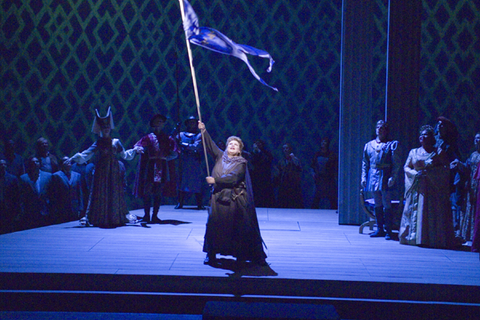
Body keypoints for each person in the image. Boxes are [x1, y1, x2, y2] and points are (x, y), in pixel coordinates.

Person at [198, 121, 267, 266]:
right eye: (230, 144)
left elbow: (234, 177)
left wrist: (215, 180)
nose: (232, 146)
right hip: (217, 198)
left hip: (233, 200)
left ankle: (240, 255)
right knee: (214, 225)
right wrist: (203, 131)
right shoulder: (220, 156)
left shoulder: (241, 162)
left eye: (235, 145)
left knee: (235, 228)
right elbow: (210, 145)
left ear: (239, 150)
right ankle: (211, 254)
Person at [68, 107, 142, 228]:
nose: (106, 129)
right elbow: (86, 154)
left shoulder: (116, 142)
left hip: (114, 170)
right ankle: (101, 217)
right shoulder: (98, 143)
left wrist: (135, 150)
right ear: (101, 129)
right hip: (101, 171)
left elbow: (125, 155)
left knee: (114, 192)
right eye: (104, 127)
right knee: (101, 192)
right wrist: (72, 159)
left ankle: (114, 217)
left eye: (108, 127)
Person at [398, 125, 457, 248]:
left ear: (432, 138)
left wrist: (430, 173)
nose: (423, 137)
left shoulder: (438, 153)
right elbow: (406, 167)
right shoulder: (413, 152)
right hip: (417, 188)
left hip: (433, 189)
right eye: (422, 135)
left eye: (427, 135)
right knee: (414, 211)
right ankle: (413, 237)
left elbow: (446, 169)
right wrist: (415, 173)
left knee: (430, 212)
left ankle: (431, 238)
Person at [133, 114, 178, 223]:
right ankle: (147, 215)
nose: (158, 123)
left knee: (158, 191)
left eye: (160, 122)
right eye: (156, 121)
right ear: (153, 124)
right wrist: (139, 149)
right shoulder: (148, 137)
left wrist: (166, 157)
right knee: (147, 190)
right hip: (150, 166)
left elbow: (175, 151)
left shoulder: (168, 138)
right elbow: (138, 145)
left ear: (163, 124)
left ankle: (155, 216)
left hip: (162, 166)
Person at [361, 120, 400, 240]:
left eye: (382, 128)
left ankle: (388, 229)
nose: (380, 130)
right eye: (378, 127)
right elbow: (365, 163)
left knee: (386, 202)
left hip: (385, 175)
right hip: (373, 175)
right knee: (377, 202)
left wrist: (393, 177)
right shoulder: (369, 145)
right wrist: (363, 177)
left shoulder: (391, 144)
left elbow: (396, 163)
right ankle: (379, 229)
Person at [434, 116, 462, 237]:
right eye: (439, 124)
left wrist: (451, 165)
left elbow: (457, 158)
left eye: (443, 125)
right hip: (432, 174)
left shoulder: (450, 144)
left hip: (445, 176)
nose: (440, 127)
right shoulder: (432, 140)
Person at [451, 132, 480, 243]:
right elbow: (467, 169)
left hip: (479, 185)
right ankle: (470, 234)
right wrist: (459, 164)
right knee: (470, 209)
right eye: (476, 138)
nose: (478, 141)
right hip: (471, 187)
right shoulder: (473, 155)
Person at [175, 115, 205, 210]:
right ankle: (180, 202)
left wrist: (183, 144)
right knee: (182, 181)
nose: (192, 124)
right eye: (190, 122)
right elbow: (174, 144)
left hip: (194, 161)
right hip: (183, 160)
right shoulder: (181, 135)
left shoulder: (199, 135)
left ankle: (199, 204)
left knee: (196, 182)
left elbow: (195, 146)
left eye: (193, 123)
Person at [19, 156, 53, 229]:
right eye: (32, 162)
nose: (35, 163)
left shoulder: (48, 176)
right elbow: (22, 197)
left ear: (39, 163)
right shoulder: (24, 178)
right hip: (30, 212)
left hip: (45, 210)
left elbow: (52, 194)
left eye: (36, 161)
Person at [50, 156, 84, 224]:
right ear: (61, 164)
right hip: (62, 208)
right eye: (65, 161)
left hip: (74, 207)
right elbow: (54, 194)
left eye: (69, 161)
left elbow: (79, 193)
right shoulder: (56, 176)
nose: (68, 162)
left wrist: (81, 207)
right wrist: (55, 208)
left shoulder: (77, 175)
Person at [310, 137, 338, 209]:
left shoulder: (332, 155)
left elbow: (335, 167)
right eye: (322, 142)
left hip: (329, 179)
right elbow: (312, 166)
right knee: (316, 199)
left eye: (325, 142)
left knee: (332, 198)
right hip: (319, 179)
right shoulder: (317, 154)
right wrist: (313, 173)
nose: (323, 143)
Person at [275, 143, 303, 208]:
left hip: (293, 183)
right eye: (284, 148)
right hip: (284, 184)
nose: (285, 150)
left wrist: (293, 158)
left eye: (286, 148)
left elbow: (299, 168)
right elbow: (279, 172)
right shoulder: (281, 161)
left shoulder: (295, 159)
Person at [250, 139, 274, 208]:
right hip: (255, 178)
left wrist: (259, 152)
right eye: (256, 144)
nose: (258, 145)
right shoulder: (252, 154)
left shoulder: (266, 153)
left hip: (265, 178)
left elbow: (267, 160)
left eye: (259, 144)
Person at [0, 158, 20, 234]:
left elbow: (17, 196)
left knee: (9, 230)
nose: (2, 166)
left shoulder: (12, 179)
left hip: (8, 208)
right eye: (0, 164)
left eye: (4, 164)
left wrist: (17, 211)